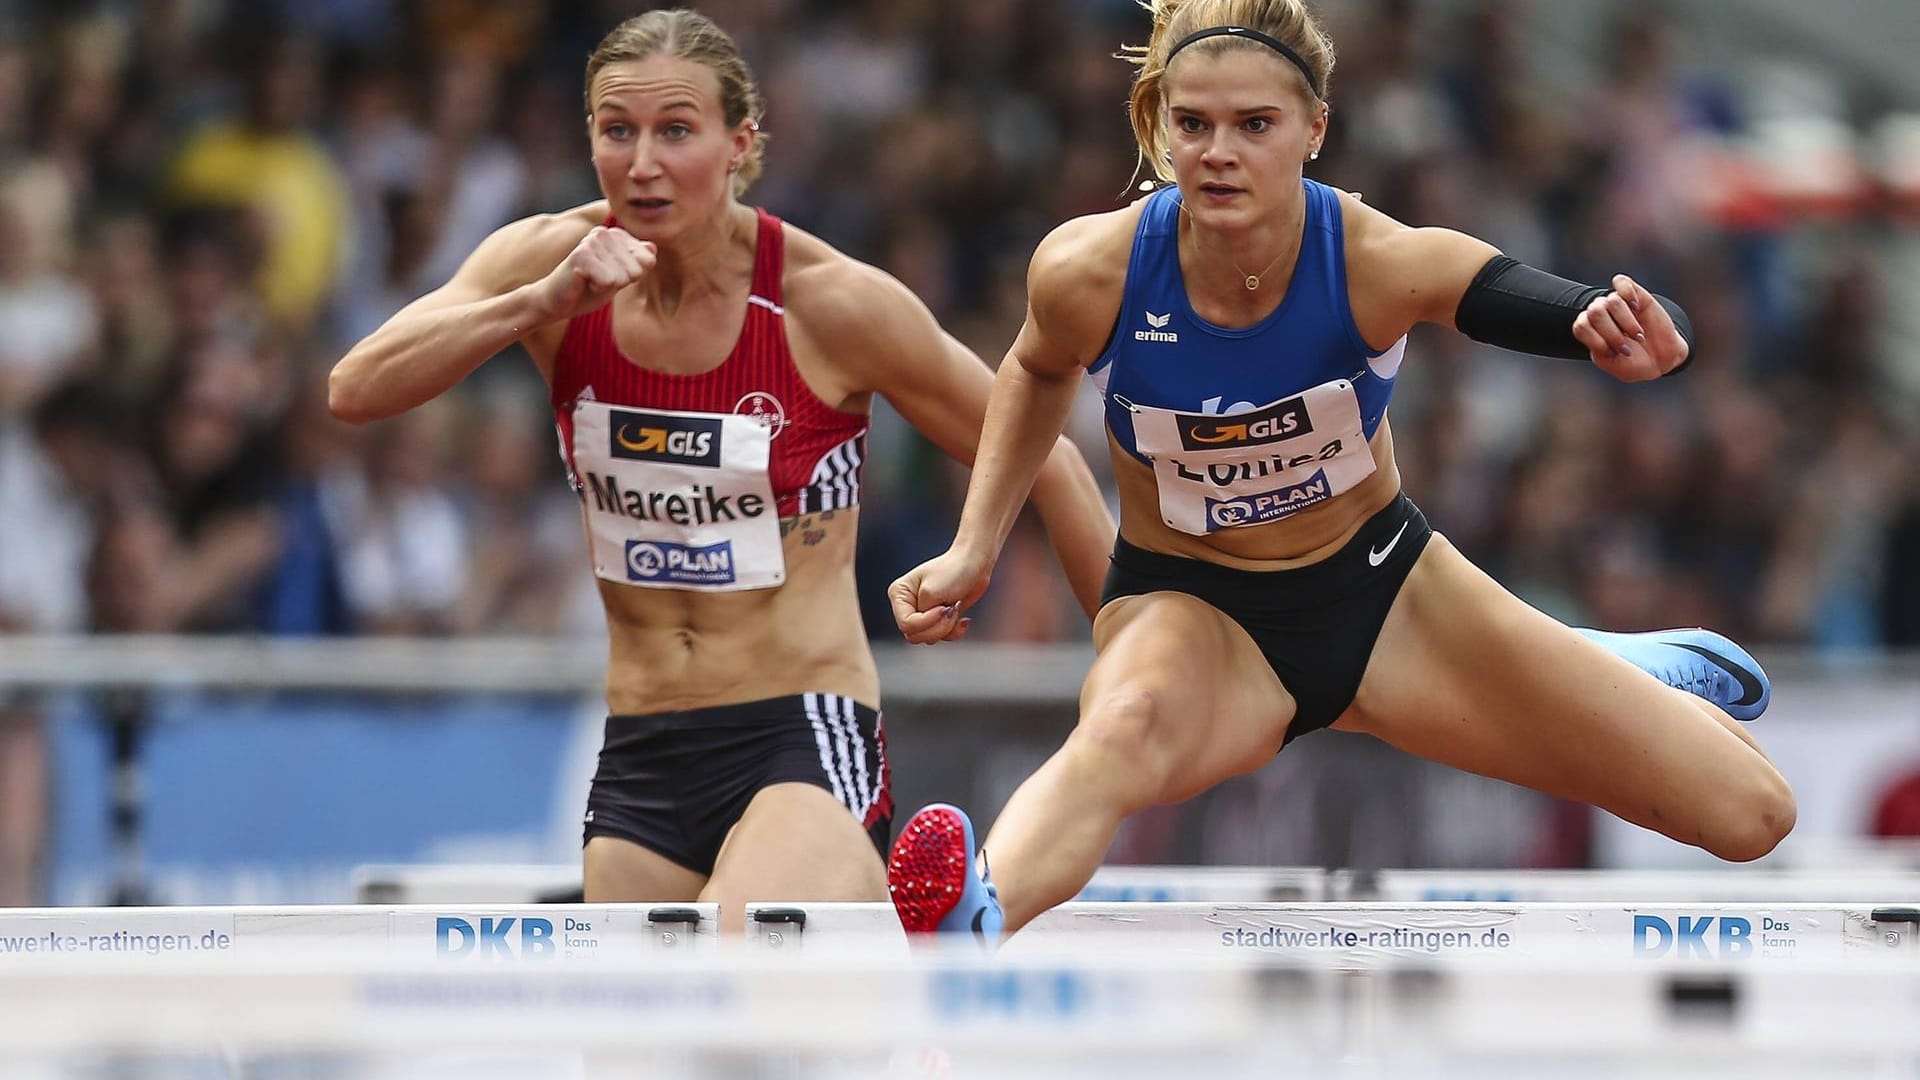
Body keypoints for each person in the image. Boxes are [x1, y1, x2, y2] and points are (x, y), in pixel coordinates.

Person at [884, 0, 1795, 940]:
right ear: (1160, 128)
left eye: (1255, 125)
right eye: (1192, 124)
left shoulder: (1367, 258)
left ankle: (1598, 659)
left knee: (1750, 813)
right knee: (1121, 730)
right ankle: (973, 910)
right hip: (1196, 613)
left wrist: (1600, 326)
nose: (1218, 153)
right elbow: (1033, 368)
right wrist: (972, 548)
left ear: (1314, 130)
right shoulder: (1092, 269)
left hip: (1388, 597)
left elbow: (1495, 289)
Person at [328, 10, 1114, 930]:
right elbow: (355, 387)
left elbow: (1047, 457)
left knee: (729, 969)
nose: (642, 163)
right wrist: (538, 303)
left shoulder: (826, 304)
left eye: (675, 131)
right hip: (642, 749)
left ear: (740, 144)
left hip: (798, 734)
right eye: (616, 132)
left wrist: (1122, 667)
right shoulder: (549, 266)